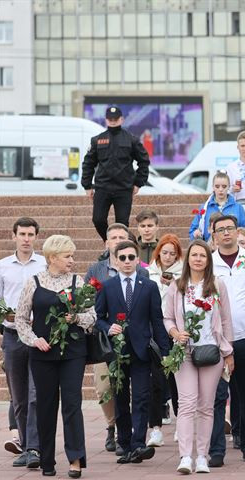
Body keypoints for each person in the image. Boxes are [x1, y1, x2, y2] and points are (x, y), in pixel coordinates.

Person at [14, 235, 95, 478]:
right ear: (52, 258)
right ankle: (46, 460)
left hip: (73, 353)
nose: (72, 260)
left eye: (72, 255)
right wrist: (34, 340)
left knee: (72, 404)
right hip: (42, 353)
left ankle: (76, 459)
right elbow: (20, 319)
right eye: (67, 256)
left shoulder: (77, 282)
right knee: (45, 405)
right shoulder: (34, 282)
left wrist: (76, 318)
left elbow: (92, 316)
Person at [95, 240, 171, 465]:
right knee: (120, 399)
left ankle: (138, 444)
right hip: (117, 353)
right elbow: (98, 317)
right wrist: (108, 327)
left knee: (141, 397)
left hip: (141, 351)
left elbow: (157, 320)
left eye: (131, 257)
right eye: (122, 258)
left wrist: (164, 351)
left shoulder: (148, 286)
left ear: (138, 260)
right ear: (116, 261)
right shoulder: (107, 286)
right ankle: (124, 442)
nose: (127, 261)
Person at [164, 240, 234, 474]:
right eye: (194, 255)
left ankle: (202, 456)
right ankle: (185, 456)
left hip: (211, 351)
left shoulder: (217, 285)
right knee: (186, 403)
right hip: (184, 351)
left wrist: (228, 351)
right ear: (188, 259)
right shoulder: (177, 286)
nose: (198, 259)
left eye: (202, 256)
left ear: (208, 260)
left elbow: (226, 319)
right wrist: (175, 333)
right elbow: (167, 318)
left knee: (206, 406)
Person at [85, 223, 150, 455]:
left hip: (137, 344)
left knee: (139, 394)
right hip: (107, 344)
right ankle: (113, 427)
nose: (118, 241)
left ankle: (135, 440)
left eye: (123, 237)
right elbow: (91, 307)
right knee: (106, 389)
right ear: (107, 243)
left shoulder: (142, 273)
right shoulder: (96, 271)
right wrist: (105, 326)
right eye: (114, 238)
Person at [208, 213, 245, 467]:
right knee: (217, 395)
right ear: (214, 235)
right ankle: (216, 450)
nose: (226, 233)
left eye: (230, 228)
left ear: (236, 231)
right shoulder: (208, 262)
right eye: (220, 229)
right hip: (215, 338)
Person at [0, 218, 46, 469]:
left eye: (30, 234)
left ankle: (35, 448)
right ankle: (26, 447)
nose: (26, 239)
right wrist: (2, 318)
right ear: (13, 236)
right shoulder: (2, 267)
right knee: (19, 396)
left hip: (38, 336)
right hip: (13, 335)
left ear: (36, 236)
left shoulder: (44, 264)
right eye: (22, 234)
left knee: (36, 393)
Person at [82, 106, 150, 242]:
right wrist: (87, 185)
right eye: (110, 119)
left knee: (122, 224)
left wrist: (138, 183)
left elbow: (144, 161)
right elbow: (88, 163)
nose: (113, 121)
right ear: (106, 120)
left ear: (121, 119)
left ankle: (120, 247)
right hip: (102, 188)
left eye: (115, 119)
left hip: (124, 189)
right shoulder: (97, 140)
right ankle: (109, 242)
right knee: (98, 219)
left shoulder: (131, 140)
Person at [146, 234, 183, 445]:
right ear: (158, 252)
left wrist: (173, 284)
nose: (168, 257)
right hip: (154, 330)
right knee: (155, 381)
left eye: (172, 253)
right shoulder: (148, 272)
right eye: (164, 252)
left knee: (177, 380)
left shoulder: (183, 273)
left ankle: (181, 425)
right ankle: (155, 428)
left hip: (175, 330)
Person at [189, 171, 245, 241]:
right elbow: (193, 230)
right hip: (210, 245)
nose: (220, 189)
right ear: (213, 187)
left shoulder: (238, 207)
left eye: (224, 186)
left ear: (229, 187)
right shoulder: (204, 207)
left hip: (232, 245)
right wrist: (195, 234)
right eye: (217, 186)